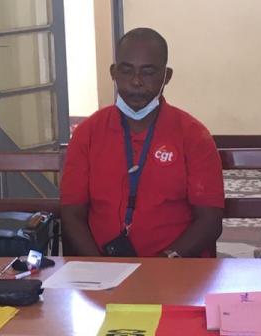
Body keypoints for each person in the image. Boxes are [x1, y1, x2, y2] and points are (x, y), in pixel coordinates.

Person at [60, 27, 225, 258]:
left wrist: (162, 265)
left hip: (174, 269)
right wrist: (99, 268)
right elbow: (71, 214)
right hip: (102, 269)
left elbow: (210, 221)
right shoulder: (88, 133)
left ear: (166, 76)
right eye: (126, 71)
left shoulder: (194, 136)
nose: (136, 81)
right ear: (113, 73)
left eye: (148, 72)